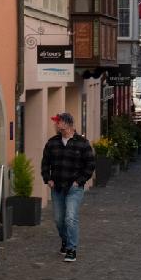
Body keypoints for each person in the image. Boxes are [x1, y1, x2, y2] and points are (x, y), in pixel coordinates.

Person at [40, 112, 95, 262]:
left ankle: (71, 248)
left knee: (71, 218)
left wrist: (79, 181)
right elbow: (45, 163)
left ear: (67, 124)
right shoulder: (52, 143)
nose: (56, 124)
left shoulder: (82, 143)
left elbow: (90, 165)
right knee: (59, 220)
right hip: (57, 187)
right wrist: (48, 179)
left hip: (74, 188)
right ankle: (65, 240)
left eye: (58, 122)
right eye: (56, 122)